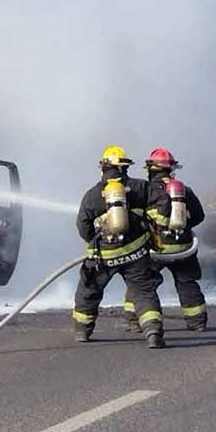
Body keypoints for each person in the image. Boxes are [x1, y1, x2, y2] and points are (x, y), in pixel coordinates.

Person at [73, 145, 166, 349]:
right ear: (125, 168)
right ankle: (153, 332)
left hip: (103, 256)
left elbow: (83, 227)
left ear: (103, 168)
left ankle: (82, 330)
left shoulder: (92, 195)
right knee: (143, 292)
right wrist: (148, 223)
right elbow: (163, 202)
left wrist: (96, 240)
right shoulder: (140, 187)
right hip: (136, 253)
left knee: (89, 289)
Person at [125, 147, 208, 331]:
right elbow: (199, 216)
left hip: (156, 248)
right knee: (187, 283)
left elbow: (135, 217)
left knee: (141, 284)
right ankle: (197, 322)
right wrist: (183, 227)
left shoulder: (146, 190)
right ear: (171, 169)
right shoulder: (184, 191)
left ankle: (135, 321)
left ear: (150, 170)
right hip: (184, 247)